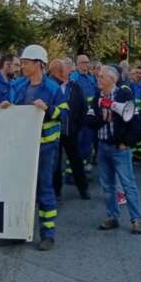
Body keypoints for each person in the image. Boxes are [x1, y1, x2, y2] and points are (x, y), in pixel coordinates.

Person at [9, 44, 67, 250]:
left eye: (25, 62)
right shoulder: (17, 85)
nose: (22, 66)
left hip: (45, 147)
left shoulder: (52, 88)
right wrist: (5, 107)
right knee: (19, 188)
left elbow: (64, 114)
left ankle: (47, 234)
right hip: (21, 146)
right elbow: (10, 107)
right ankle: (16, 231)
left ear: (38, 64)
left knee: (44, 187)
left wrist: (49, 109)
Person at [85, 65, 141, 234]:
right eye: (98, 76)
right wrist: (102, 119)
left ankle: (136, 219)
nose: (98, 79)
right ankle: (112, 216)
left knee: (128, 184)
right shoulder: (97, 96)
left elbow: (135, 122)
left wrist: (126, 142)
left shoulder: (124, 94)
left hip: (120, 147)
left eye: (101, 76)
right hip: (103, 146)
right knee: (107, 185)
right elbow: (88, 120)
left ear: (112, 79)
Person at [50, 58, 90, 200]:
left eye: (67, 68)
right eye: (64, 68)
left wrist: (77, 127)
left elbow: (83, 107)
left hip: (70, 131)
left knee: (76, 160)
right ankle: (56, 191)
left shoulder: (75, 87)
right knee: (55, 162)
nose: (68, 71)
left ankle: (83, 188)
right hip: (54, 131)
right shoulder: (51, 86)